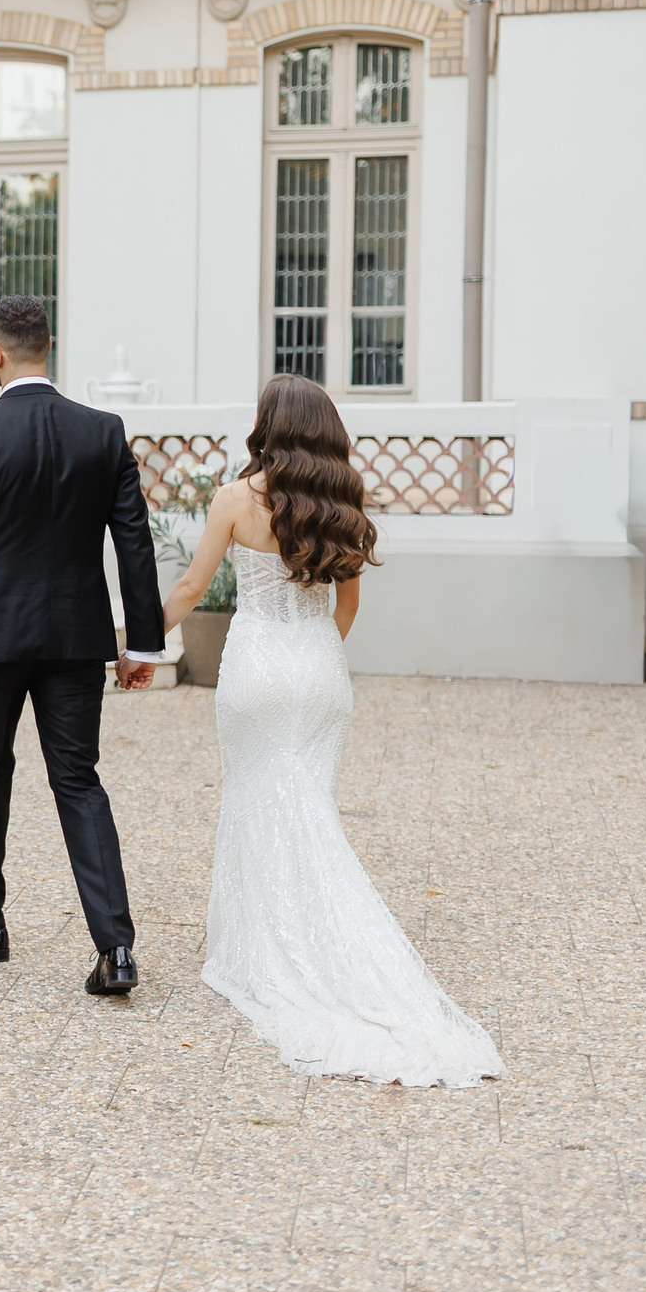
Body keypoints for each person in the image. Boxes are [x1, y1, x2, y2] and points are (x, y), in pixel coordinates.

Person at [162, 373, 503, 1087]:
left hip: (254, 669)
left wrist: (132, 641)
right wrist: (314, 652)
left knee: (257, 800)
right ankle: (318, 948)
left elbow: (192, 589)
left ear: (266, 423)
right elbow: (346, 608)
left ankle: (267, 947)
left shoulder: (233, 498)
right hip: (319, 667)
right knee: (308, 809)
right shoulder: (343, 500)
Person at [0, 295, 168, 997]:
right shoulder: (102, 430)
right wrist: (141, 643)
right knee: (78, 780)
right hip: (74, 639)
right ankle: (115, 947)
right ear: (48, 347)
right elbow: (134, 542)